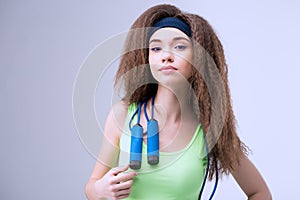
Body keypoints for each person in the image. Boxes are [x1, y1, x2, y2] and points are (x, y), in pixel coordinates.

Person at [85, 4, 272, 200]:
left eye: (180, 47)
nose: (166, 56)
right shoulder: (122, 115)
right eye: (156, 48)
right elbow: (91, 186)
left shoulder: (210, 129)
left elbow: (259, 193)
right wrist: (99, 190)